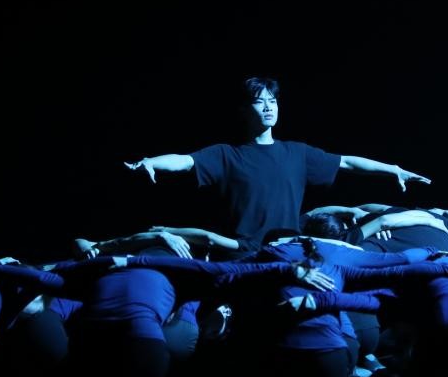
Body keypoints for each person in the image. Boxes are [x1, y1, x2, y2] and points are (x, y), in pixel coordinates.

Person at [124, 77, 431, 254]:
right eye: (260, 101)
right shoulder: (227, 155)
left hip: (288, 249)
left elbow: (347, 162)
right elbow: (185, 161)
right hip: (241, 252)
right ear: (244, 110)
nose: (269, 107)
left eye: (273, 100)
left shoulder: (297, 152)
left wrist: (393, 169)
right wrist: (153, 162)